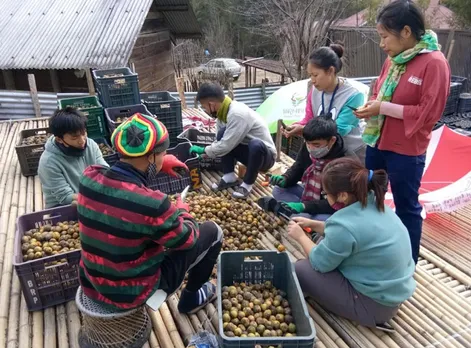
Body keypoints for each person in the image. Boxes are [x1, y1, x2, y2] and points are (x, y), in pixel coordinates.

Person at [77, 113, 223, 313]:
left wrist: (159, 164)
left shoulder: (88, 177)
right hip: (132, 294)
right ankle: (191, 299)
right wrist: (183, 212)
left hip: (92, 284)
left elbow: (125, 181)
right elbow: (187, 239)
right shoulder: (152, 203)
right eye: (163, 153)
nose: (164, 157)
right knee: (212, 231)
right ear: (151, 156)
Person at [354, 0, 450, 264]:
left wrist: (383, 107)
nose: (382, 44)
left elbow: (428, 113)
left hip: (406, 150)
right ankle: (375, 249)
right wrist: (372, 106)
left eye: (385, 36)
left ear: (406, 32)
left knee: (406, 206)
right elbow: (379, 90)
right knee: (371, 197)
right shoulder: (393, 60)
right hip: (378, 142)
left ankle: (407, 263)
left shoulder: (434, 63)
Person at [288, 158, 416, 330]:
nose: (326, 197)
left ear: (342, 195)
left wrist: (300, 236)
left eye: (326, 194)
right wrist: (313, 225)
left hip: (373, 306)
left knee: (301, 269)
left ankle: (362, 313)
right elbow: (355, 233)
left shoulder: (344, 225)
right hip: (393, 294)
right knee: (322, 240)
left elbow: (319, 263)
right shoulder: (375, 204)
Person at [190, 82, 276, 199]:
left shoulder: (237, 114)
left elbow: (226, 145)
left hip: (265, 157)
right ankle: (229, 176)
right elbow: (220, 141)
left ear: (212, 104)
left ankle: (247, 184)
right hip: (248, 153)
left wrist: (204, 149)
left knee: (255, 144)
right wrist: (205, 154)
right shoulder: (222, 114)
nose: (206, 110)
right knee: (222, 133)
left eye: (205, 107)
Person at [262, 116, 355, 221]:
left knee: (325, 220)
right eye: (308, 143)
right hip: (309, 193)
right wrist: (285, 179)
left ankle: (298, 215)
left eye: (316, 145)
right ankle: (299, 214)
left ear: (332, 141)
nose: (311, 148)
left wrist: (304, 206)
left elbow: (338, 202)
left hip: (332, 204)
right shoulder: (309, 147)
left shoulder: (345, 163)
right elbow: (299, 167)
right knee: (278, 190)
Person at [283, 44, 365, 160]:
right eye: (310, 75)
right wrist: (297, 126)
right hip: (325, 154)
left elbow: (339, 129)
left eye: (315, 75)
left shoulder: (353, 96)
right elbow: (309, 119)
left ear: (330, 71)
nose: (312, 80)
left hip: (351, 156)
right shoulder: (315, 91)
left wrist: (303, 129)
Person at [38, 107, 108, 209]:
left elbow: (104, 171)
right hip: (63, 207)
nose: (82, 141)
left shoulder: (91, 145)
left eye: (84, 133)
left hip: (92, 198)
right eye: (74, 138)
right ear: (59, 139)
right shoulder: (48, 162)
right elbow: (65, 197)